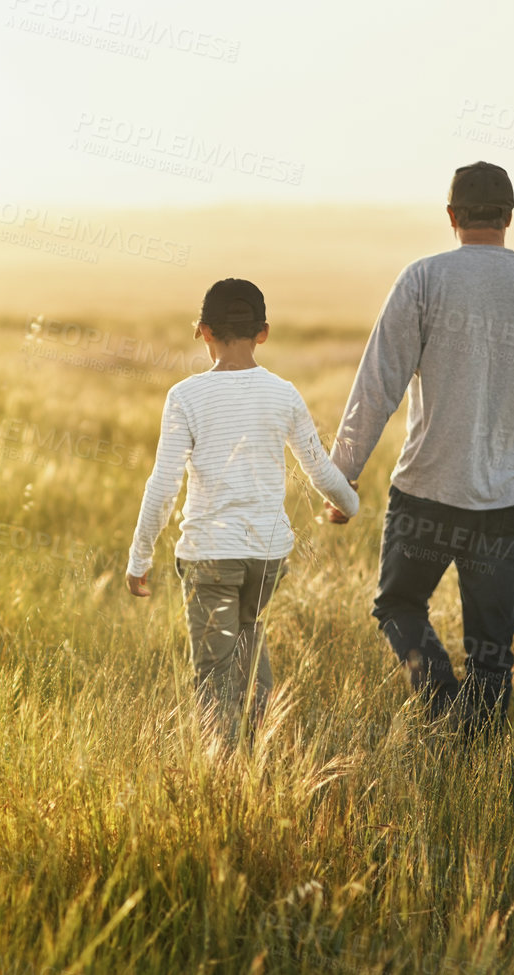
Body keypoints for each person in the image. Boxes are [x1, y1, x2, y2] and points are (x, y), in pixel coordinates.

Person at [325, 161, 514, 738]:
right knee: (492, 653)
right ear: (510, 218)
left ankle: (440, 704)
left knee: (398, 606)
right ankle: (476, 764)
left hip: (426, 492)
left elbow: (379, 384)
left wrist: (341, 474)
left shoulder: (422, 280)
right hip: (508, 501)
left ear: (451, 217)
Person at [126, 278, 361, 747]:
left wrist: (139, 559)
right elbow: (317, 467)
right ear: (264, 332)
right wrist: (349, 502)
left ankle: (227, 777)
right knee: (249, 646)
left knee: (214, 676)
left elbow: (163, 486)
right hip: (267, 559)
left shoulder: (185, 397)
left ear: (202, 331)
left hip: (210, 558)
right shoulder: (284, 393)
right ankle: (256, 756)